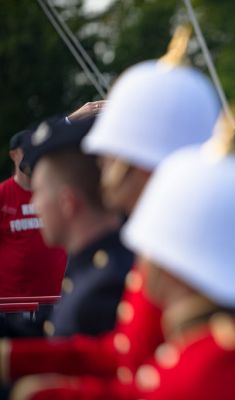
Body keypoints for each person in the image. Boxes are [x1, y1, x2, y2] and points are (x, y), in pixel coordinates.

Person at [0, 27, 221, 397]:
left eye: (112, 158)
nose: (103, 171)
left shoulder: (179, 260)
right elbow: (122, 353)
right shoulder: (160, 250)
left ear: (143, 166)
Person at [20, 116, 133, 337]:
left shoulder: (106, 287)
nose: (33, 205)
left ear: (67, 202)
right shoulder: (90, 268)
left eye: (38, 192)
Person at [0, 129, 67, 299]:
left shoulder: (54, 192)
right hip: (13, 303)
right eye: (27, 151)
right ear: (14, 155)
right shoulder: (3, 194)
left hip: (56, 297)